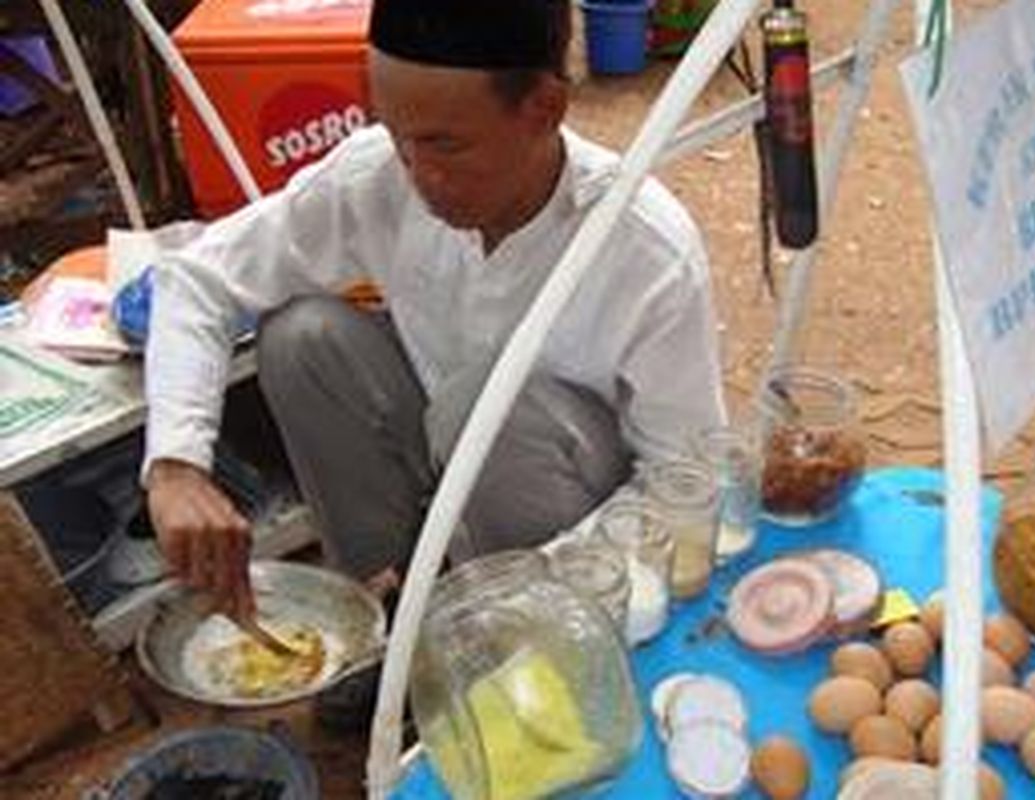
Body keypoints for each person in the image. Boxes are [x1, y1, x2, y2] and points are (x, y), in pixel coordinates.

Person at [144, 0, 725, 621]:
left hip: (575, 511)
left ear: (543, 109)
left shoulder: (644, 249)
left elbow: (690, 477)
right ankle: (383, 616)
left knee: (481, 408)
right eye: (398, 139)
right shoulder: (381, 175)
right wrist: (176, 467)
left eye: (445, 146)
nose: (419, 176)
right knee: (302, 339)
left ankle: (512, 631)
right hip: (437, 450)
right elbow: (198, 277)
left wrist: (548, 586)